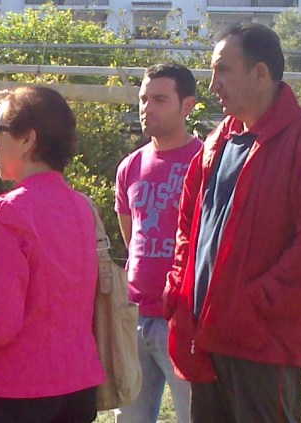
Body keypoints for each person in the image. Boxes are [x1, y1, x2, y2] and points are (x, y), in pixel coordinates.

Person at [163, 23, 301, 422]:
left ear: (260, 73)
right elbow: (187, 229)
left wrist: (257, 302)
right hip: (206, 340)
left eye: (223, 71)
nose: (213, 86)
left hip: (264, 345)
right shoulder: (216, 143)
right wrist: (179, 293)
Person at [0, 86, 104, 423]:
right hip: (75, 386)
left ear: (28, 140)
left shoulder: (8, 211)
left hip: (15, 394)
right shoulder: (81, 208)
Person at [114, 63, 198, 423]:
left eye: (160, 99)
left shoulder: (206, 161)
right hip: (134, 316)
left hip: (185, 319)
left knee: (195, 415)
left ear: (188, 106)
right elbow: (130, 236)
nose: (148, 107)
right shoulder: (130, 166)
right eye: (144, 99)